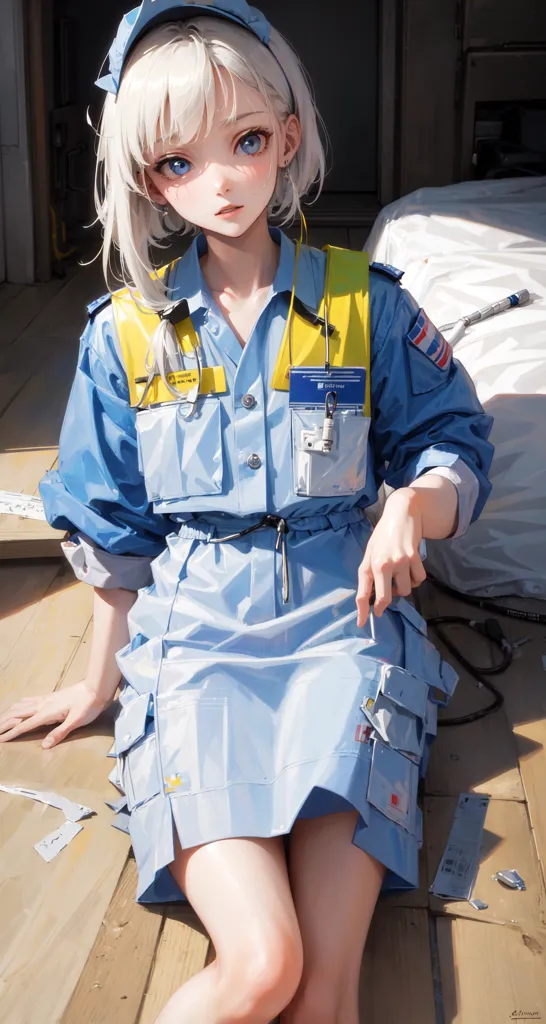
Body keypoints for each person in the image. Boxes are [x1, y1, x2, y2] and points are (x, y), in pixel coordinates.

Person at [0, 2, 494, 1021]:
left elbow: (455, 440)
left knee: (325, 995)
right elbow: (115, 525)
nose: (220, 180)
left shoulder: (368, 304)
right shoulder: (125, 334)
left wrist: (417, 500)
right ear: (149, 179)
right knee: (260, 966)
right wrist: (99, 682)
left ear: (289, 140)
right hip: (197, 645)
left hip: (346, 637)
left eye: (248, 142)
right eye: (179, 162)